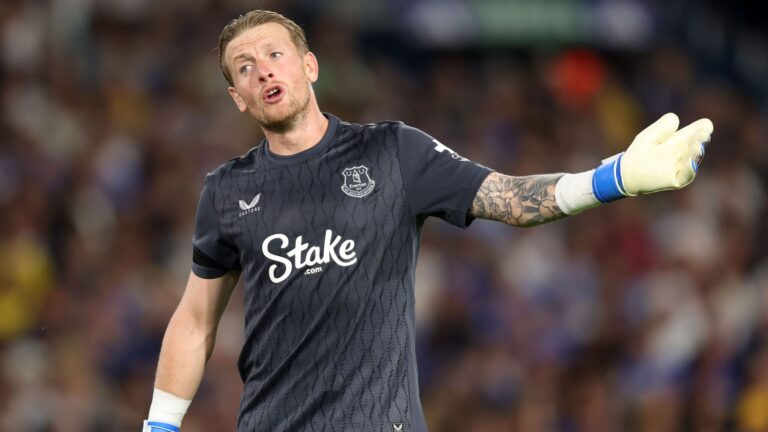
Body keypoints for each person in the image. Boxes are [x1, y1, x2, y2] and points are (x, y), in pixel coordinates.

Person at [142, 9, 713, 432]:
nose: (263, 71)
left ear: (309, 66)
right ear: (238, 97)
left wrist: (611, 179)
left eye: (274, 54)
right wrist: (159, 426)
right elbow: (195, 321)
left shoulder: (393, 152)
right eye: (245, 67)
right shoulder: (227, 190)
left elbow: (507, 198)